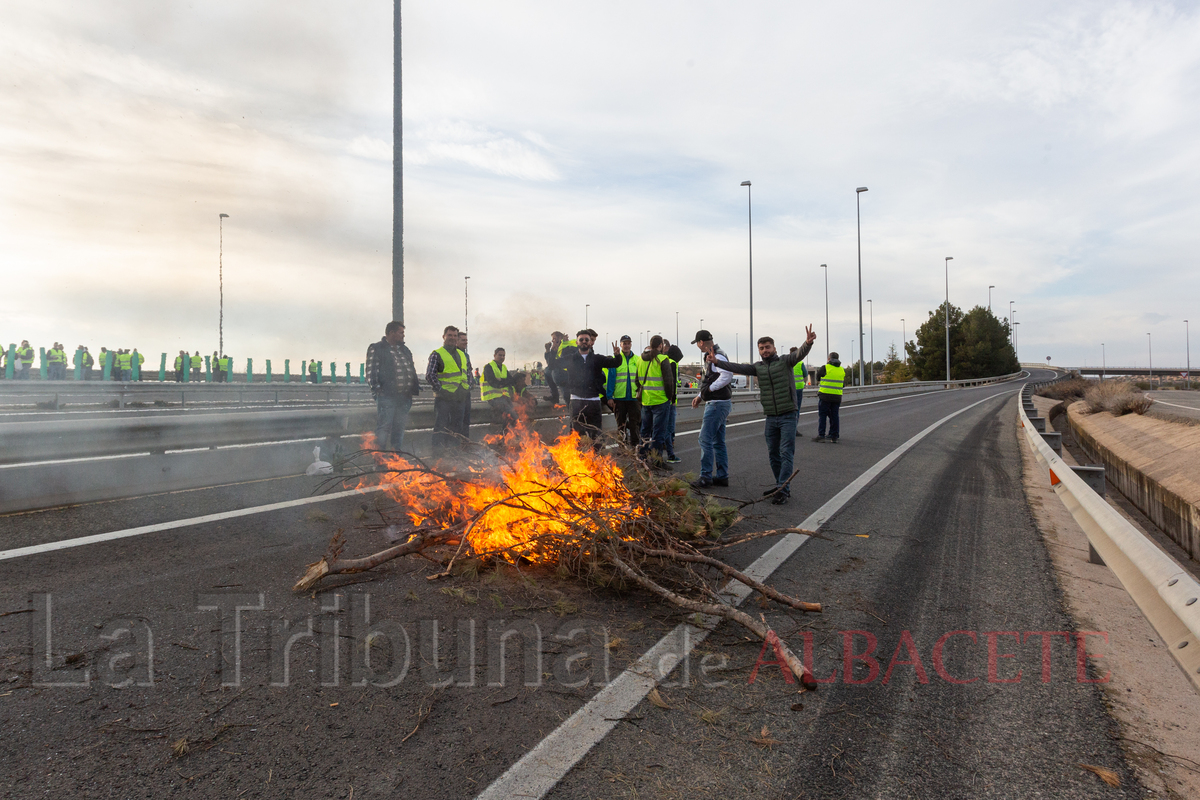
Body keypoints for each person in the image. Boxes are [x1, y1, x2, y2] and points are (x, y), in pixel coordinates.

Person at [714, 325, 816, 504]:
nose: (765, 350)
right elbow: (738, 367)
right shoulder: (758, 367)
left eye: (767, 347)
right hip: (771, 416)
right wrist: (717, 362)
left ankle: (783, 489)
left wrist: (807, 343)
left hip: (788, 415)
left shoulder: (785, 361)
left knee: (786, 452)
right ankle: (780, 485)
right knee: (773, 454)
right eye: (761, 348)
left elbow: (798, 354)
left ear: (774, 348)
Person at [556, 328, 622, 442]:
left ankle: (596, 458)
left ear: (590, 342)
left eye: (587, 339)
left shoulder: (597, 358)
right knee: (576, 434)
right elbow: (554, 365)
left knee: (596, 433)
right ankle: (577, 458)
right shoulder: (571, 359)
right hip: (576, 400)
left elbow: (615, 363)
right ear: (577, 342)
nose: (584, 341)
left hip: (594, 401)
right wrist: (551, 350)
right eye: (581, 339)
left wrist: (617, 355)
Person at [366, 320, 421, 452]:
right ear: (391, 333)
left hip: (404, 398)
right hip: (387, 397)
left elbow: (411, 370)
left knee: (399, 428)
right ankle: (380, 461)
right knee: (384, 428)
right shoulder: (377, 348)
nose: (403, 335)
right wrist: (378, 390)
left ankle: (395, 459)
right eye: (401, 333)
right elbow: (371, 373)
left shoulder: (405, 350)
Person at [689, 330, 733, 489]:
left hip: (716, 403)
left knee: (705, 439)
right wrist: (701, 395)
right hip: (721, 402)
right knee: (718, 442)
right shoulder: (717, 353)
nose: (698, 347)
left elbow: (726, 376)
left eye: (698, 344)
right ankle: (722, 476)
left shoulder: (717, 355)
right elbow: (712, 377)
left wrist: (709, 391)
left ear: (701, 342)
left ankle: (705, 477)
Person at [426, 325, 471, 454]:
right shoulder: (437, 354)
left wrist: (466, 388)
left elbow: (467, 374)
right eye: (449, 335)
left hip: (459, 398)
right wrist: (441, 390)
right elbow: (430, 375)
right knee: (441, 427)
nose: (452, 338)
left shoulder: (462, 355)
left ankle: (454, 455)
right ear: (443, 337)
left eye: (455, 335)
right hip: (444, 399)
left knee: (457, 428)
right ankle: (438, 455)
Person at [636, 335, 678, 464]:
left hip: (646, 400)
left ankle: (641, 458)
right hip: (660, 401)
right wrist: (670, 397)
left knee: (644, 431)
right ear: (660, 346)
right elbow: (668, 382)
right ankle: (656, 461)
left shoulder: (640, 360)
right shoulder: (662, 359)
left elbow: (637, 381)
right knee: (658, 433)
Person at [605, 335, 641, 446]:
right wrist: (609, 396)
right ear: (620, 345)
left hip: (634, 397)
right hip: (619, 398)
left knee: (635, 423)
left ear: (631, 344)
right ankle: (623, 447)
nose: (626, 345)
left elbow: (641, 378)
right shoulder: (616, 360)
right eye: (624, 343)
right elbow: (611, 379)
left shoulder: (638, 360)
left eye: (628, 343)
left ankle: (635, 447)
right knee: (621, 424)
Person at [481, 347, 523, 432]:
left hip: (504, 397)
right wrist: (504, 382)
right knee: (512, 416)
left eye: (504, 355)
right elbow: (494, 383)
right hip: (492, 397)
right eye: (500, 355)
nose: (502, 357)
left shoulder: (503, 367)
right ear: (494, 355)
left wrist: (501, 381)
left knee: (510, 417)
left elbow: (511, 381)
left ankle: (503, 437)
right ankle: (508, 436)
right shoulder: (488, 367)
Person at [813, 352, 851, 443]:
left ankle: (821, 435)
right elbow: (842, 384)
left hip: (825, 395)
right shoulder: (842, 370)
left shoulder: (825, 367)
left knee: (822, 415)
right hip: (837, 396)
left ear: (829, 359)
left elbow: (817, 377)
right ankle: (834, 436)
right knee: (834, 416)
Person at [661, 339, 685, 463]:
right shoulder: (672, 363)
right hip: (669, 400)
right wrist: (673, 399)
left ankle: (661, 450)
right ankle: (670, 454)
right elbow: (671, 383)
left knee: (662, 427)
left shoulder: (666, 361)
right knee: (669, 427)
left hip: (661, 398)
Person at [790, 347, 809, 436]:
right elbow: (805, 374)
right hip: (798, 389)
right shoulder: (800, 363)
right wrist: (804, 383)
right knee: (796, 409)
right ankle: (794, 429)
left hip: (788, 388)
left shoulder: (787, 362)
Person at [543, 332, 565, 405]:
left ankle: (555, 396)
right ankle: (555, 396)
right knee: (547, 371)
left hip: (566, 372)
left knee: (549, 371)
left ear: (560, 339)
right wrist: (548, 351)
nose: (552, 341)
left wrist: (553, 351)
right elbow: (549, 364)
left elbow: (552, 365)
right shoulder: (556, 348)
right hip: (558, 371)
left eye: (554, 339)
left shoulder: (564, 346)